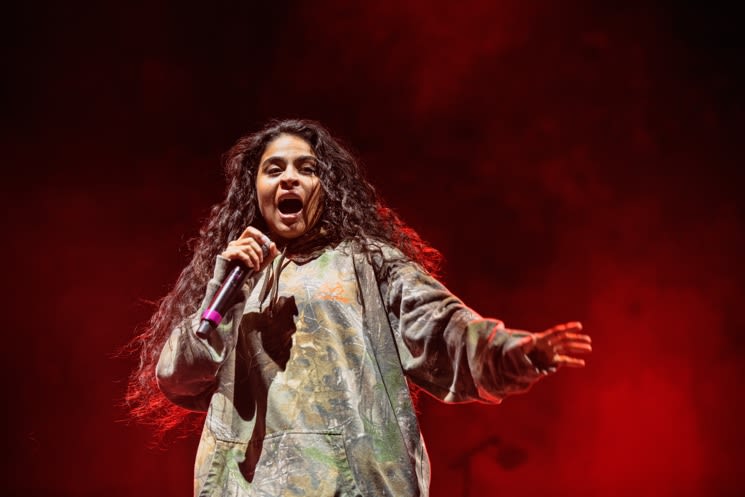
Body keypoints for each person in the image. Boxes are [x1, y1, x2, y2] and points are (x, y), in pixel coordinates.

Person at [127, 118, 592, 497]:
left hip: (354, 485)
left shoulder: (367, 263)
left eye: (306, 168)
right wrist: (220, 293)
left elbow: (444, 329)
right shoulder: (234, 277)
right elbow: (176, 376)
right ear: (255, 191)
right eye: (274, 169)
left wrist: (514, 351)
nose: (289, 176)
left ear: (325, 187)